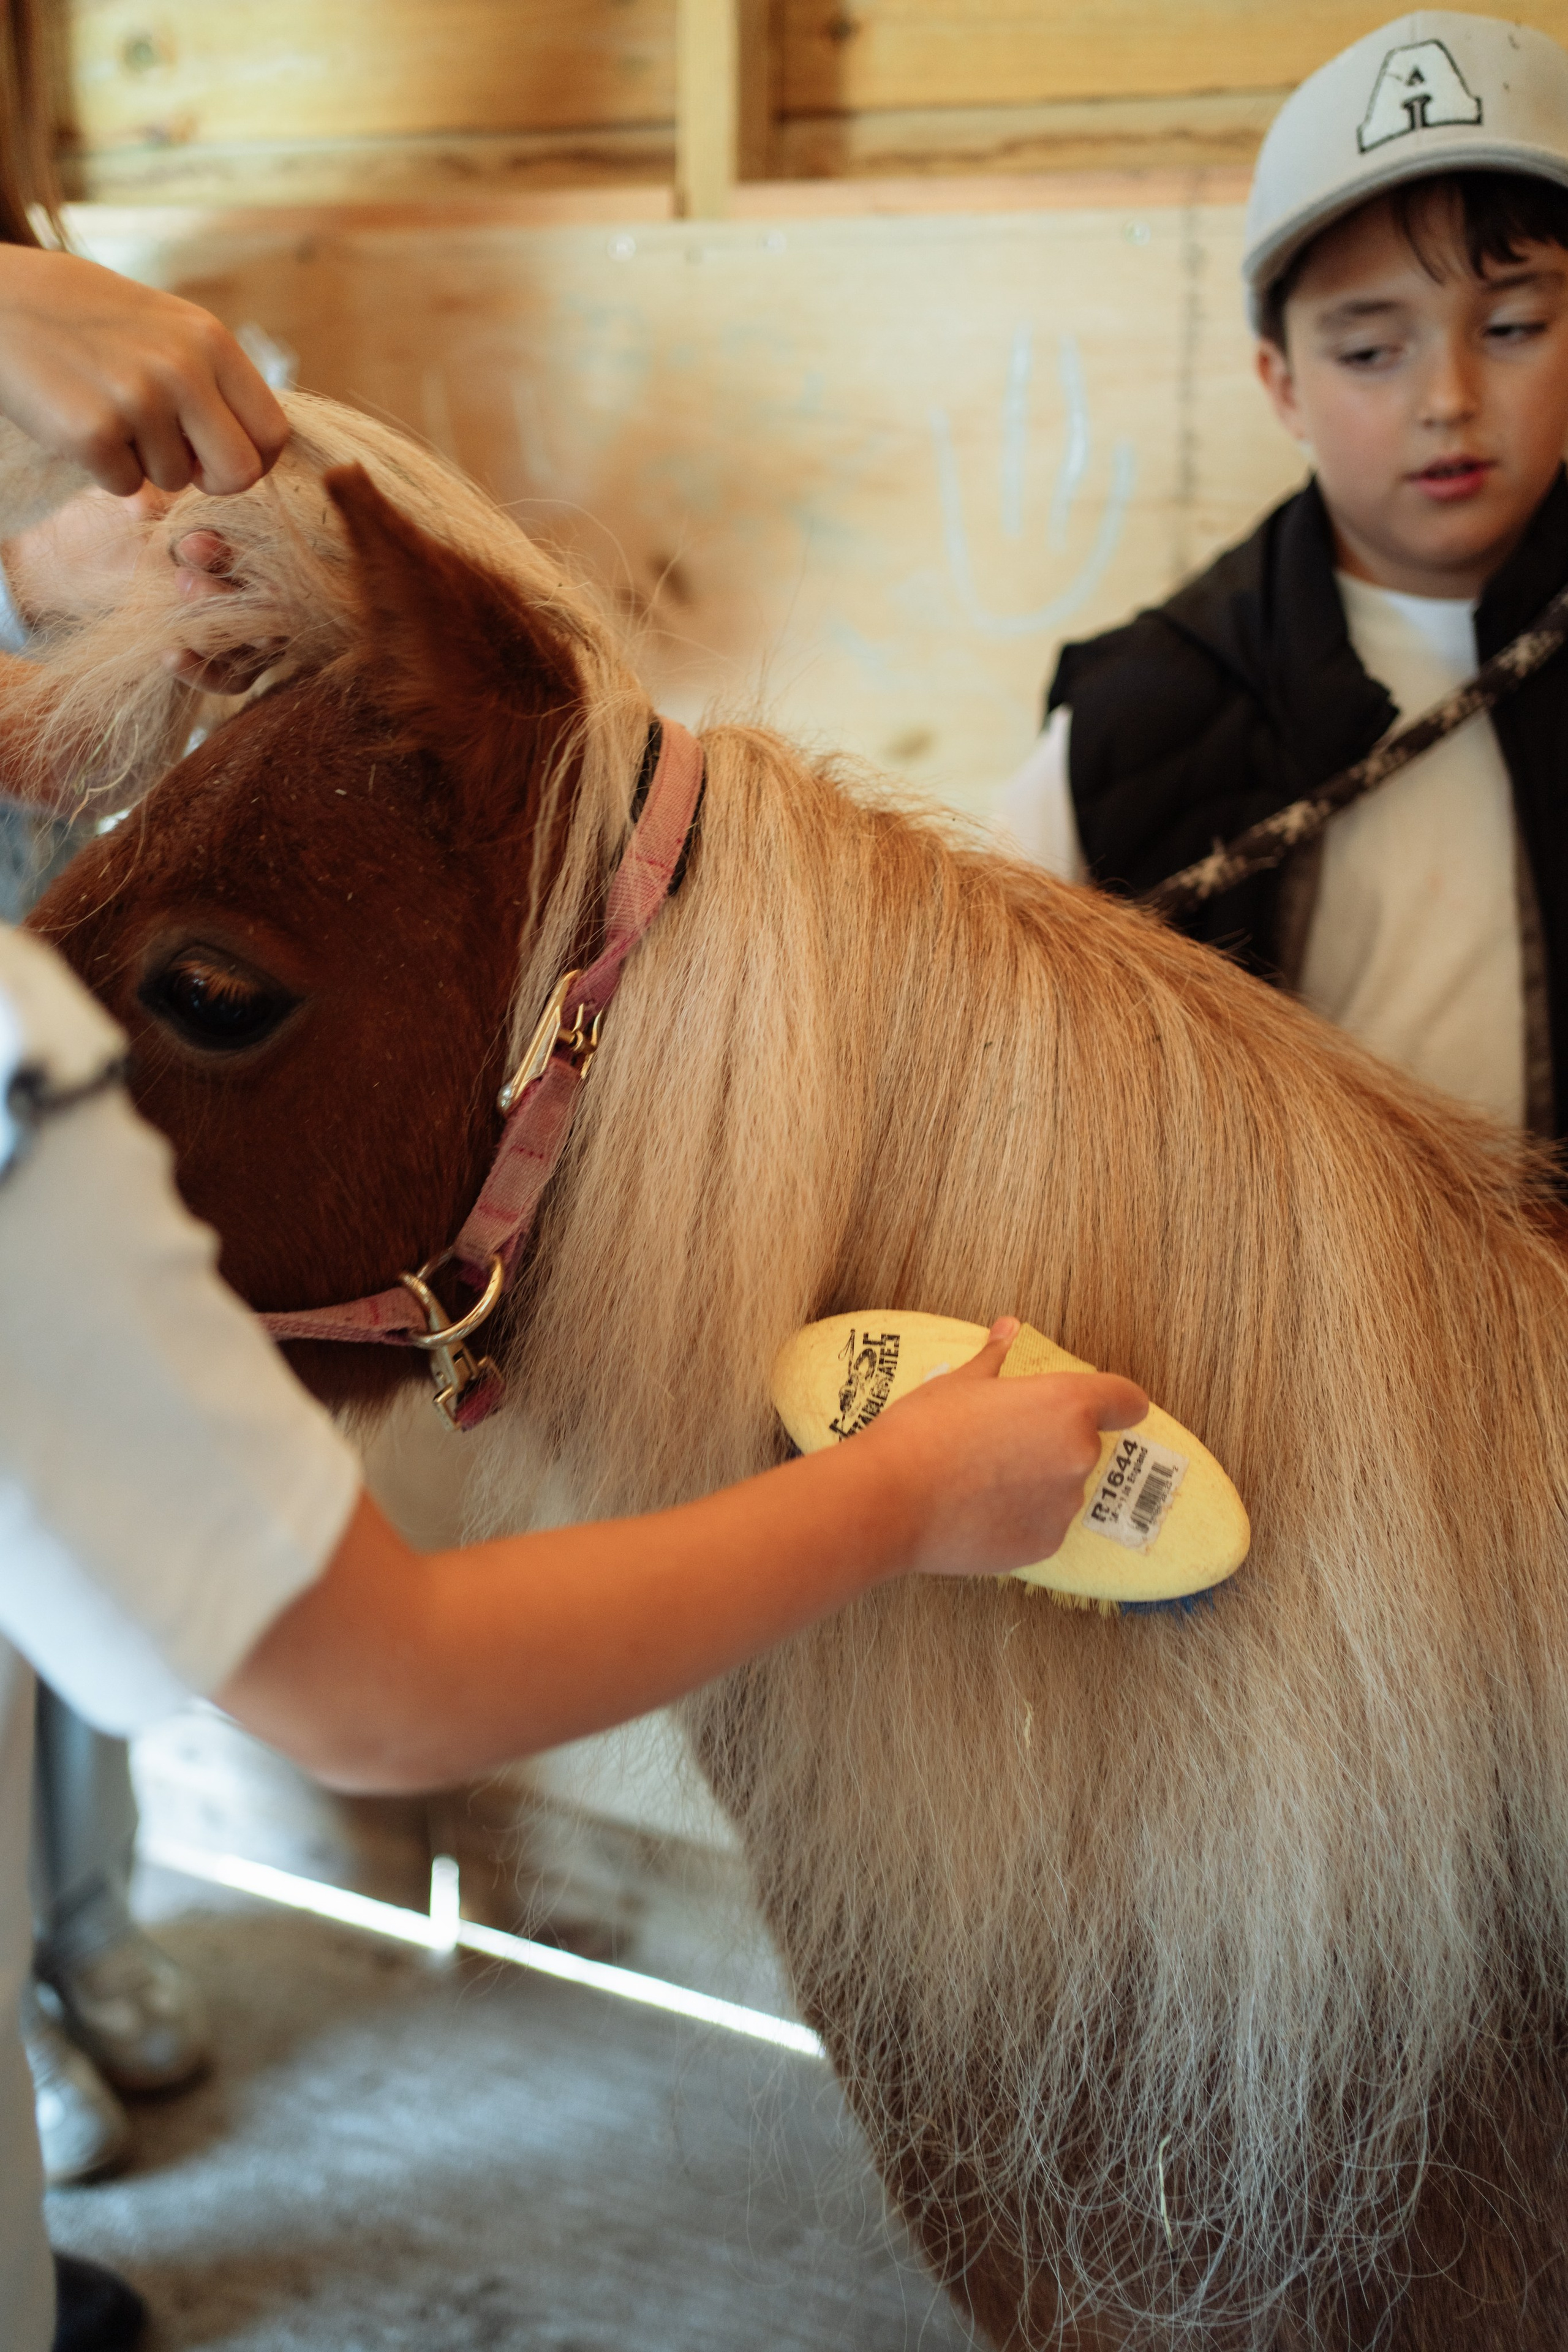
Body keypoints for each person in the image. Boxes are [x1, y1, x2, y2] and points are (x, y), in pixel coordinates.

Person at [1002, 10, 1568, 1139]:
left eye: (1513, 326)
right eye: (1370, 351)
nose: (1448, 399)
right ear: (1283, 384)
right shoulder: (1132, 724)